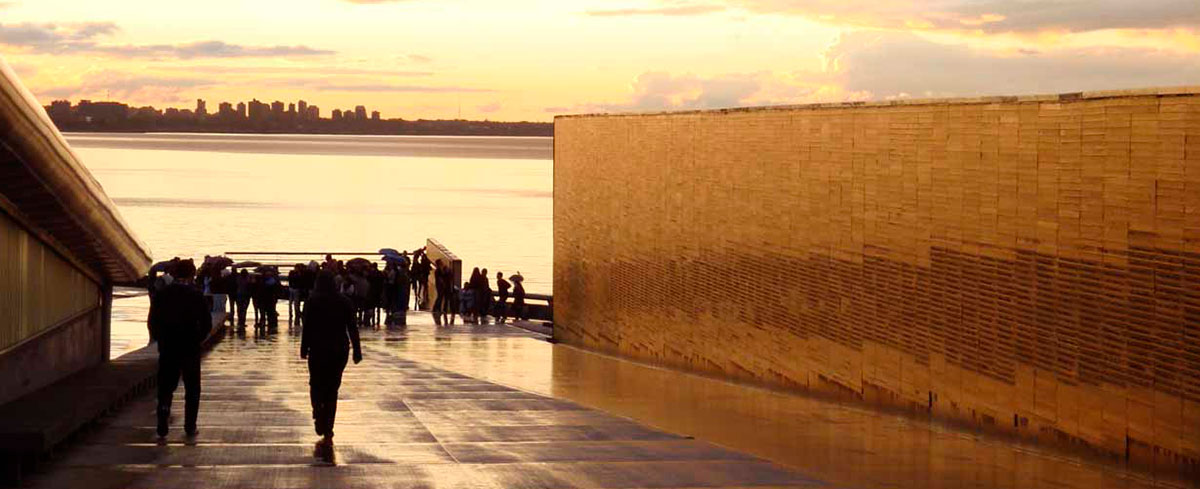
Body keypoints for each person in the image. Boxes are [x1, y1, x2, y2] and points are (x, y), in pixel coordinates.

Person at [301, 271, 362, 455]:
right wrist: (357, 350)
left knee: (316, 384)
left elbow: (308, 327)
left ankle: (318, 412)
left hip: (318, 349)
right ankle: (328, 427)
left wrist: (303, 348)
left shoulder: (312, 301)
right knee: (332, 389)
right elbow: (352, 327)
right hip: (339, 350)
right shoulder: (344, 301)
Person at [148, 259, 209, 438]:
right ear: (192, 275)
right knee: (192, 387)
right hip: (190, 346)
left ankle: (163, 415)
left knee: (166, 385)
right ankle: (190, 425)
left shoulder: (162, 294)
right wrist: (198, 339)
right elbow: (206, 323)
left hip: (168, 346)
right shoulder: (197, 295)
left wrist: (160, 338)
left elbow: (153, 321)